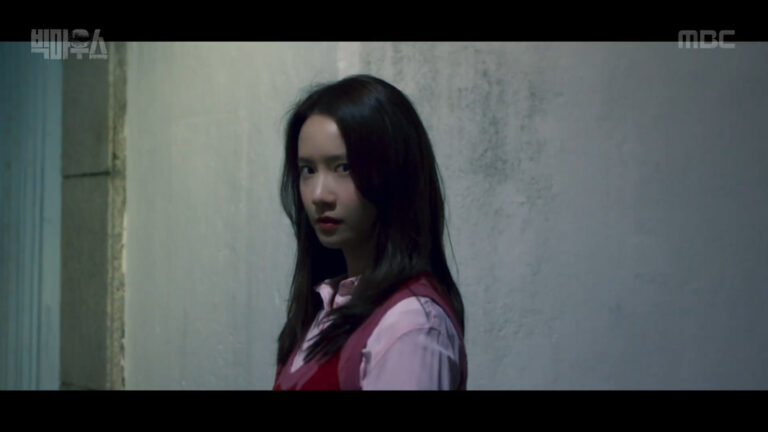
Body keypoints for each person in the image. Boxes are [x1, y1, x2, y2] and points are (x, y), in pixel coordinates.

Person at [273, 74, 467, 390]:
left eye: (344, 167)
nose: (319, 195)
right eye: (308, 170)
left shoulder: (409, 325)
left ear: (394, 173)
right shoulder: (325, 306)